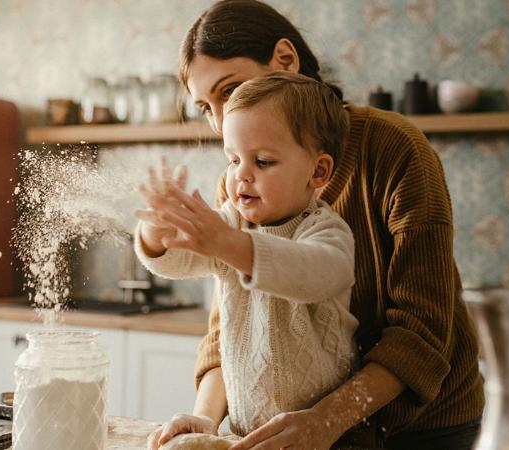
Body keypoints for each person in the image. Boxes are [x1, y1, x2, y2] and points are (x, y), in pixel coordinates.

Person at [152, 1, 485, 449]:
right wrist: (204, 416)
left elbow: (422, 326)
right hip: (299, 431)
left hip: (421, 426)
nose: (218, 122)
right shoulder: (238, 185)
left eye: (228, 92)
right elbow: (228, 325)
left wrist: (328, 420)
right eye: (205, 107)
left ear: (286, 61)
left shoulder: (394, 148)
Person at [135, 72, 360, 440]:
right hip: (242, 434)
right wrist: (157, 234)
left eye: (263, 162)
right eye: (233, 159)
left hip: (319, 439)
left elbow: (312, 273)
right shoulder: (232, 225)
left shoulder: (327, 232)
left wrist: (227, 243)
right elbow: (179, 259)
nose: (241, 175)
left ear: (318, 171)